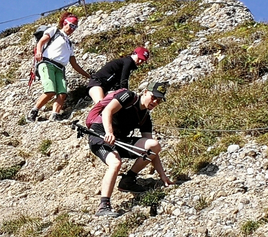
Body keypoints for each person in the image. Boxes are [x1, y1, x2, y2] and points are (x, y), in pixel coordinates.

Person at [87, 82, 174, 217]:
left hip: (119, 140)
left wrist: (162, 175)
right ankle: (103, 205)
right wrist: (109, 133)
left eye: (159, 100)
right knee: (115, 163)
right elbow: (107, 111)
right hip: (99, 135)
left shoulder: (145, 117)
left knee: (154, 145)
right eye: (153, 97)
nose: (155, 102)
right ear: (145, 92)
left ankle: (128, 180)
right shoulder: (128, 96)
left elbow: (152, 152)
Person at [26, 12, 92, 122]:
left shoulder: (69, 44)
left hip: (60, 68)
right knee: (50, 90)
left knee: (62, 93)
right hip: (47, 63)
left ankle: (55, 115)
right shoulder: (54, 31)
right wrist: (38, 52)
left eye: (74, 27)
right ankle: (33, 111)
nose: (72, 29)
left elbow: (74, 64)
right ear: (65, 23)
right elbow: (41, 42)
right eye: (71, 25)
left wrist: (88, 76)